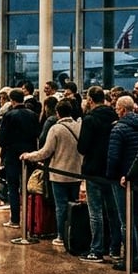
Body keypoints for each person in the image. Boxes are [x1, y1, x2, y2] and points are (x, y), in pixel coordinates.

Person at [20, 99, 82, 248]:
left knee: (60, 206)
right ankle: (72, 234)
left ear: (57, 113)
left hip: (59, 174)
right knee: (73, 205)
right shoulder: (79, 126)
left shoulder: (56, 129)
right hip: (77, 173)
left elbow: (46, 151)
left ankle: (60, 235)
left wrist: (29, 156)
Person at [108, 94, 138, 272]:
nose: (116, 112)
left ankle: (131, 258)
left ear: (123, 110)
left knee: (126, 221)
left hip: (123, 180)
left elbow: (113, 157)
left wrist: (111, 175)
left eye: (117, 109)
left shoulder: (119, 129)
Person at [76, 86, 118, 262]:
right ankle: (115, 248)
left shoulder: (90, 119)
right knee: (113, 211)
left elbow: (82, 147)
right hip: (111, 169)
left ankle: (96, 249)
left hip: (93, 169)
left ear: (91, 100)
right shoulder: (115, 116)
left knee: (95, 211)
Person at [0, 88, 39, 227]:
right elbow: (37, 133)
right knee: (28, 187)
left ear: (12, 100)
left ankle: (15, 219)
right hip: (30, 155)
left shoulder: (9, 115)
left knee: (13, 188)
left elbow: (2, 137)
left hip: (12, 155)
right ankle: (30, 219)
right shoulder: (33, 115)